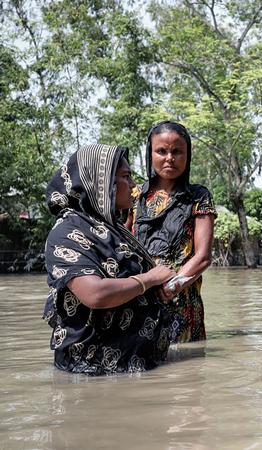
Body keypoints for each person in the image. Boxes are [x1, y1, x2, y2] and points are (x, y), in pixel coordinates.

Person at [43, 144, 181, 375]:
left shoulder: (112, 229)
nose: (135, 187)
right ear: (101, 182)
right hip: (94, 373)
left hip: (134, 367)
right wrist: (149, 279)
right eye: (126, 177)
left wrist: (159, 288)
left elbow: (129, 282)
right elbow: (95, 294)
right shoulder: (67, 232)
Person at [129, 121, 216, 343]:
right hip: (140, 296)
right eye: (162, 151)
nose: (170, 158)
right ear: (150, 154)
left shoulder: (198, 197)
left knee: (187, 370)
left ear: (187, 156)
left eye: (177, 152)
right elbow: (123, 243)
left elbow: (203, 256)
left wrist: (173, 285)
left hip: (182, 297)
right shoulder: (135, 195)